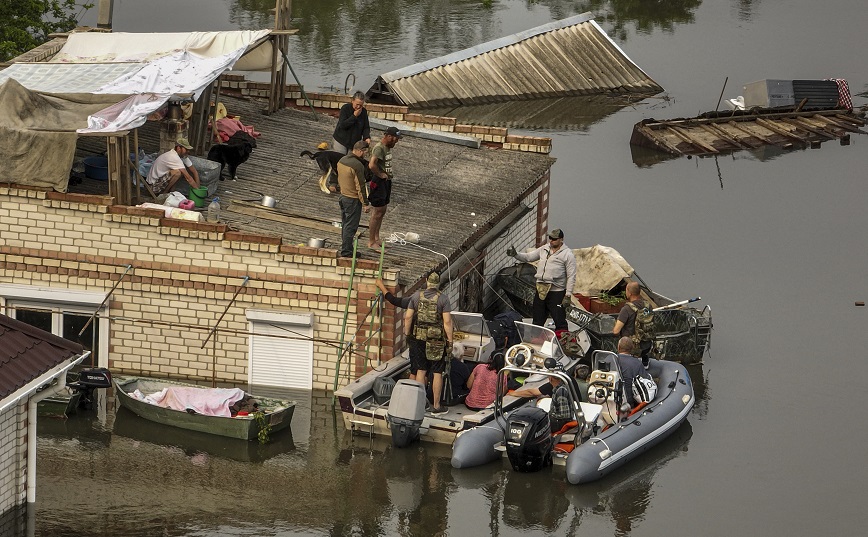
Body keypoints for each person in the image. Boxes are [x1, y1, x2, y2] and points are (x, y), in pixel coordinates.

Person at [507, 228, 576, 331]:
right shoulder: (544, 249)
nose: (551, 241)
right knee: (538, 317)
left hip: (556, 292)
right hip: (541, 290)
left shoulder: (567, 255)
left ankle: (563, 339)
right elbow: (529, 257)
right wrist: (516, 254)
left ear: (561, 239)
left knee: (559, 318)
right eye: (550, 238)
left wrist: (568, 295)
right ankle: (536, 339)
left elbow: (571, 276)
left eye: (554, 239)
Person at [404, 271, 453, 414]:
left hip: (418, 338)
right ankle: (436, 406)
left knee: (421, 370)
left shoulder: (415, 296)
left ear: (426, 281)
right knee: (437, 371)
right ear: (438, 284)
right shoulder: (443, 299)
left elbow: (408, 318)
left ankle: (420, 404)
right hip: (436, 340)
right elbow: (447, 322)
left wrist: (408, 335)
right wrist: (450, 341)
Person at [335, 141, 371, 257]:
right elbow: (360, 186)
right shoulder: (357, 165)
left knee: (345, 224)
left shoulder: (342, 160)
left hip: (343, 196)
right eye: (365, 152)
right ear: (360, 151)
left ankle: (348, 248)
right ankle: (346, 251)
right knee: (351, 226)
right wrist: (365, 203)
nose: (365, 154)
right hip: (352, 199)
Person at [367, 126, 401, 248]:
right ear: (389, 136)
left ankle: (377, 238)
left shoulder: (387, 147)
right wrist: (380, 174)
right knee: (377, 212)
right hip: (379, 181)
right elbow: (372, 165)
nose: (396, 142)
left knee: (382, 211)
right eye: (395, 139)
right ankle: (371, 242)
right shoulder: (379, 148)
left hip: (386, 181)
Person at [612, 281, 652, 361]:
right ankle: (645, 362)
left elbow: (616, 331)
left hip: (631, 349)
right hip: (647, 345)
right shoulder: (648, 306)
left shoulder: (626, 309)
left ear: (630, 293)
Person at [613, 337, 653, 408]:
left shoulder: (609, 360)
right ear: (632, 348)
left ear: (618, 347)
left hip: (607, 397)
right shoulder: (637, 363)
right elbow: (647, 380)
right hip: (628, 402)